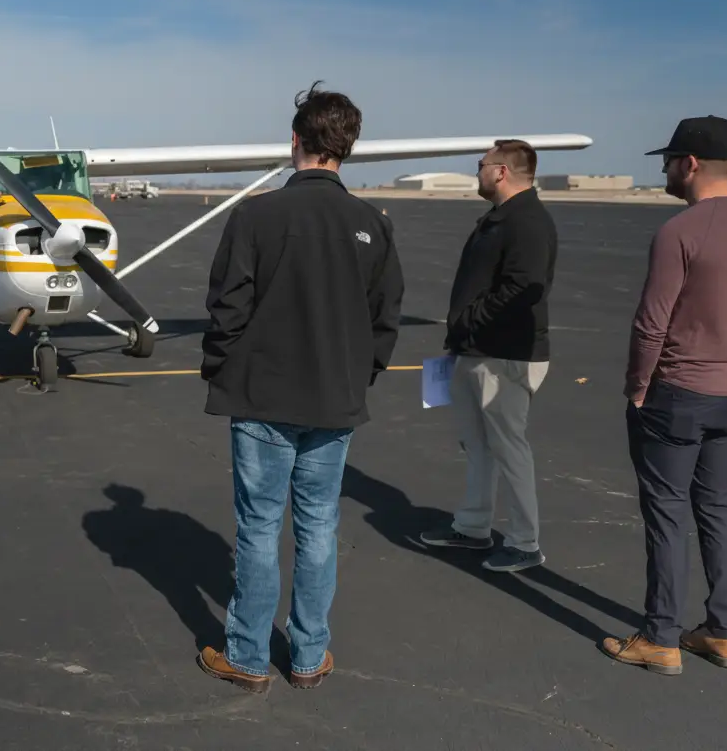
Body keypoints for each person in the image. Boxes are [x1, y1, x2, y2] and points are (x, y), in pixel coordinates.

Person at [195, 81, 406, 693]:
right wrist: (359, 374)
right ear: (347, 147)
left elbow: (227, 306)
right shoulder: (371, 222)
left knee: (260, 526)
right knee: (318, 526)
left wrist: (220, 367)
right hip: (334, 402)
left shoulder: (257, 216)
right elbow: (384, 314)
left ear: (297, 141)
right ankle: (309, 654)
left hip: (264, 396)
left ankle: (249, 656)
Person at [601, 116, 727, 675]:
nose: (663, 168)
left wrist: (637, 387)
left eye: (669, 159)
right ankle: (723, 632)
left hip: (678, 393)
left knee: (667, 513)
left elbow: (651, 325)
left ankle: (661, 636)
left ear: (692, 165)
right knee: (719, 507)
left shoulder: (680, 231)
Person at [420, 139, 557, 573]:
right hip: (476, 349)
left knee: (508, 446)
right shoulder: (500, 219)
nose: (476, 171)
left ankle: (524, 541)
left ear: (501, 171)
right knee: (477, 444)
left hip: (505, 352)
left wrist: (471, 319)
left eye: (480, 165)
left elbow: (523, 287)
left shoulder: (528, 221)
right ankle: (473, 527)